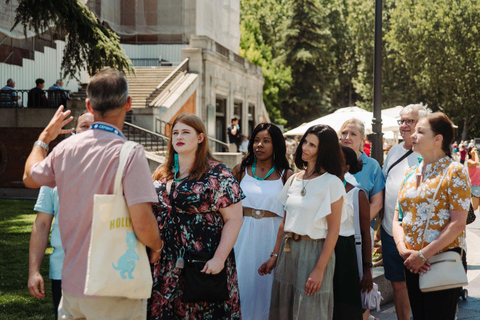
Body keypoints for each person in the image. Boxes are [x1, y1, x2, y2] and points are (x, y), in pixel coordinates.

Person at [23, 68, 163, 319]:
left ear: (89, 104)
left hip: (72, 286)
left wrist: (44, 138)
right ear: (128, 103)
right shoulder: (130, 154)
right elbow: (143, 222)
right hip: (114, 288)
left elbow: (29, 177)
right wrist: (157, 245)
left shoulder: (65, 149)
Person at [150, 113, 244, 319]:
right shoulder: (162, 172)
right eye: (175, 132)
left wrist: (219, 258)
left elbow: (234, 219)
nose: (178, 137)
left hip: (203, 263)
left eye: (186, 132)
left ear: (200, 138)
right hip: (164, 263)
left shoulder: (218, 174)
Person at [259, 124, 345, 320]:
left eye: (312, 145)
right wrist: (274, 255)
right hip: (288, 251)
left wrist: (319, 269)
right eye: (305, 141)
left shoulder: (332, 183)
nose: (304, 147)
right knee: (283, 310)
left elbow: (333, 231)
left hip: (315, 251)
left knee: (310, 311)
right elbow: (285, 223)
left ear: (324, 150)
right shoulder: (294, 179)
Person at [393, 112, 469, 320]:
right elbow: (397, 217)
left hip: (439, 261)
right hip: (411, 261)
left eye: (420, 131)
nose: (413, 135)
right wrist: (402, 249)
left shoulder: (455, 171)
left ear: (438, 139)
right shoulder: (410, 173)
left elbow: (458, 223)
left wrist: (423, 254)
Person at [27, 112, 94, 319]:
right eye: (84, 126)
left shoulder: (116, 166)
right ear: (73, 132)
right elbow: (42, 224)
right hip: (64, 270)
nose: (90, 131)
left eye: (96, 126)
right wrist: (34, 271)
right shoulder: (55, 169)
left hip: (106, 268)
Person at [232, 123, 293, 320]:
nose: (259, 145)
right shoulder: (240, 170)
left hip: (272, 237)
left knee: (267, 289)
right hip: (241, 237)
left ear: (276, 145)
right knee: (241, 285)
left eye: (266, 141)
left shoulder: (287, 176)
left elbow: (290, 216)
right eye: (256, 140)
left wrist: (277, 252)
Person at [381, 103, 431, 320]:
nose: (403, 125)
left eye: (409, 121)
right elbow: (385, 188)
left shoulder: (431, 154)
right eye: (401, 121)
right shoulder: (393, 151)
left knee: (426, 286)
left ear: (422, 123)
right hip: (390, 232)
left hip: (423, 236)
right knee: (398, 285)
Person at [333, 146, 372, 320]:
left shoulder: (357, 194)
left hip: (346, 254)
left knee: (346, 309)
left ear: (346, 167)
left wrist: (367, 270)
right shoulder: (320, 190)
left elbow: (365, 234)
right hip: (323, 250)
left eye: (337, 160)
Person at [339, 119, 384, 221]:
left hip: (358, 232)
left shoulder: (372, 165)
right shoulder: (331, 162)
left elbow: (377, 203)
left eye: (353, 134)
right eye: (344, 133)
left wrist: (357, 227)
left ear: (362, 137)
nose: (347, 137)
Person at [467, 145, 480, 211]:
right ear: (469, 152)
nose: (475, 151)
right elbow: (476, 163)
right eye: (473, 150)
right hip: (475, 186)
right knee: (475, 207)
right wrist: (475, 153)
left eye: (476, 150)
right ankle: (464, 218)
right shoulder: (469, 161)